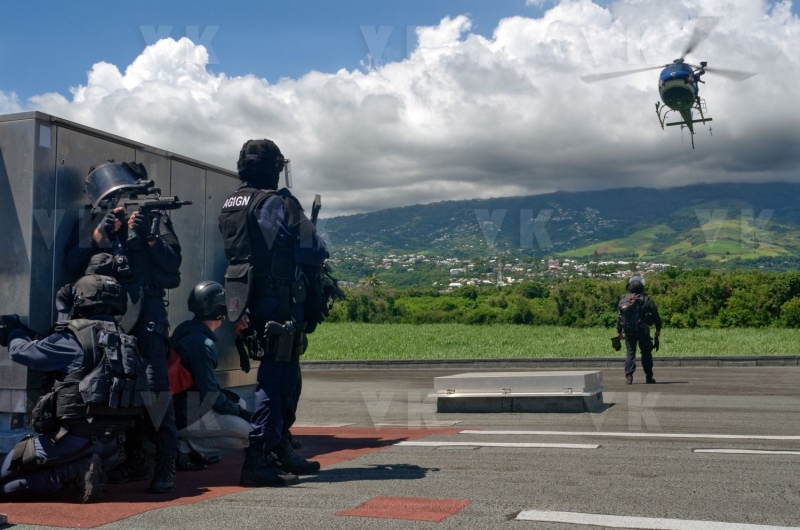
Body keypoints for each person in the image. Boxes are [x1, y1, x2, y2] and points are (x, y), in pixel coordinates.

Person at [64, 161, 183, 493]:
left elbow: (173, 265)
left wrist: (148, 238)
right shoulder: (91, 221)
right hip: (106, 318)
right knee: (106, 390)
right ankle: (128, 458)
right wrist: (101, 233)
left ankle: (165, 462)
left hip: (146, 314)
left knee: (155, 389)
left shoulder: (153, 217)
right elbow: (71, 264)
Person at [218, 139, 328, 487]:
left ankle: (280, 447)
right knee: (276, 382)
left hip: (245, 301)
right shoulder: (277, 203)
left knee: (286, 377)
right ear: (277, 167)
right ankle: (258, 460)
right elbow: (314, 251)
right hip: (277, 303)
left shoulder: (232, 203)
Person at [0, 275, 146, 503]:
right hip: (112, 445)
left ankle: (71, 473)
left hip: (72, 439)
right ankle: (76, 472)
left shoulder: (74, 337)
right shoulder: (125, 340)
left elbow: (22, 352)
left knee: (4, 483)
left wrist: (13, 333)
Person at [171, 281, 252, 468]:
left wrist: (236, 406)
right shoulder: (203, 345)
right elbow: (210, 395)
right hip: (183, 413)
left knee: (240, 402)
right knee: (251, 435)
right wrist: (242, 413)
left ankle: (183, 443)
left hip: (172, 406)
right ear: (219, 311)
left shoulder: (185, 329)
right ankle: (183, 446)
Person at [617, 275, 663, 384]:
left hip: (628, 331)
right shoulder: (646, 299)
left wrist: (619, 331)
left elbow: (619, 317)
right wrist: (658, 329)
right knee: (646, 353)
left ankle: (629, 376)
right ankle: (648, 376)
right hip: (643, 331)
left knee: (630, 353)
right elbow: (656, 316)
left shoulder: (624, 300)